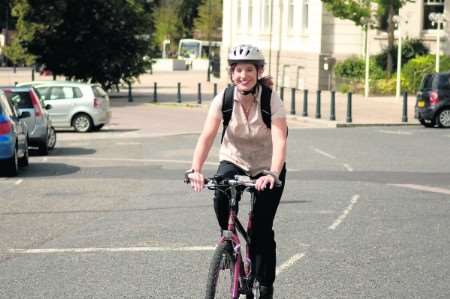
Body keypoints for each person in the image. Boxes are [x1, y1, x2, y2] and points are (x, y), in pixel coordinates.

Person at [187, 44, 287, 299]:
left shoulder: (270, 99)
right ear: (232, 73)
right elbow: (207, 136)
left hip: (267, 166)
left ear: (259, 71)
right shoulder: (223, 98)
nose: (244, 75)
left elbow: (280, 139)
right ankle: (228, 241)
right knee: (220, 193)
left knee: (262, 231)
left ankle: (265, 286)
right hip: (234, 158)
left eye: (249, 70)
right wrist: (195, 169)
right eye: (238, 70)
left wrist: (273, 174)